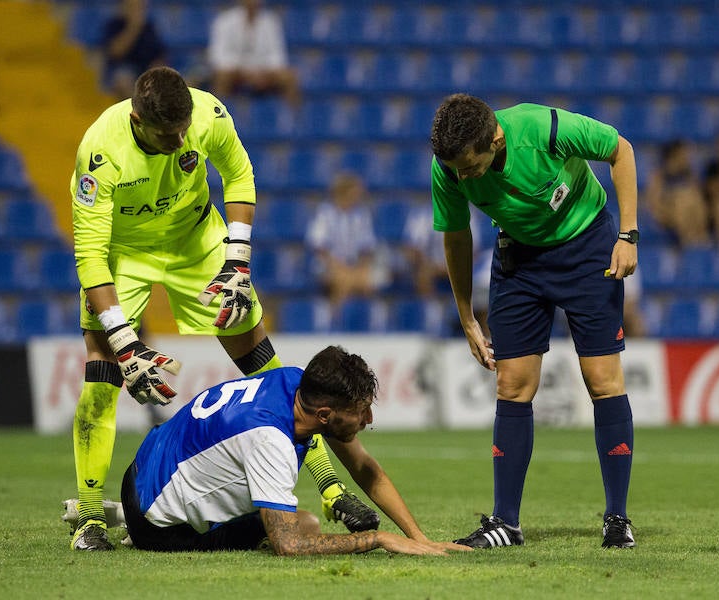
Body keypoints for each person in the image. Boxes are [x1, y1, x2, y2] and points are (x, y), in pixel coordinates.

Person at [68, 66, 376, 551]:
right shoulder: (99, 153)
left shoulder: (206, 113)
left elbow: (239, 175)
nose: (180, 140)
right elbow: (89, 253)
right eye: (167, 134)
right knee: (102, 379)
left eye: (183, 129)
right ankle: (88, 519)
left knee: (270, 371)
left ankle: (330, 486)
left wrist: (238, 262)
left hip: (197, 242)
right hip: (122, 255)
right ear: (136, 118)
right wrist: (127, 344)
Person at [429, 93, 639, 549]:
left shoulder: (544, 128)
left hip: (587, 247)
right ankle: (506, 522)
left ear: (496, 139)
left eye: (469, 166)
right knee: (513, 385)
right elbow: (456, 236)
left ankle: (617, 518)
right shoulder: (446, 167)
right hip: (519, 260)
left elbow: (621, 149)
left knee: (602, 379)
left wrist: (628, 235)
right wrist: (466, 316)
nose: (461, 176)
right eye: (455, 169)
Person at [84, 346, 469, 555]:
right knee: (305, 526)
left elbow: (365, 468)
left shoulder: (295, 381)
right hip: (157, 523)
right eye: (360, 411)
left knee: (277, 506)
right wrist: (381, 539)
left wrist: (419, 538)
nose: (368, 418)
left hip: (143, 467)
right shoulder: (270, 440)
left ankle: (137, 511)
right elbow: (290, 545)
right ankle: (144, 526)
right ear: (324, 415)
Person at [305, 172, 391, 308]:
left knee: (368, 280)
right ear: (343, 192)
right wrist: (341, 269)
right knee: (342, 281)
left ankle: (363, 321)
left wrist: (359, 268)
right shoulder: (325, 213)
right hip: (328, 265)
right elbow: (320, 247)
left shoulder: (362, 215)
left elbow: (367, 249)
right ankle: (336, 322)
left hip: (355, 266)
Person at [207, 0, 300, 105]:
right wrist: (244, 72)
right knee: (222, 77)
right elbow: (218, 56)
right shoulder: (224, 20)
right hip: (235, 72)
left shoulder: (271, 22)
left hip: (265, 72)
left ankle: (291, 119)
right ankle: (218, 115)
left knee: (289, 78)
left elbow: (277, 55)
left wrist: (261, 72)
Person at [643, 138, 710, 247]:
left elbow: (699, 200)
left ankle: (699, 237)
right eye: (685, 154)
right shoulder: (659, 175)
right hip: (665, 215)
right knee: (681, 200)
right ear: (675, 154)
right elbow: (654, 205)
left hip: (689, 215)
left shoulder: (689, 174)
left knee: (692, 198)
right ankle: (690, 242)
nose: (688, 158)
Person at [100, 0, 167, 99]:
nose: (137, 10)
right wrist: (134, 27)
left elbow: (159, 54)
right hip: (120, 69)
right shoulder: (114, 25)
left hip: (145, 69)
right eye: (132, 6)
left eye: (140, 7)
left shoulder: (149, 27)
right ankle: (137, 110)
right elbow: (116, 52)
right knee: (123, 78)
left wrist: (156, 69)